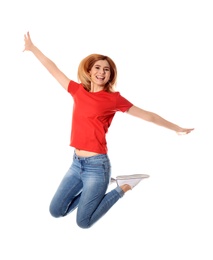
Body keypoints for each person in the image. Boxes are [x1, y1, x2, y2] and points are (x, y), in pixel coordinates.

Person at [23, 32, 194, 229]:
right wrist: (33, 48)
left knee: (83, 222)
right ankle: (97, 189)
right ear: (89, 71)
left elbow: (148, 115)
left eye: (107, 69)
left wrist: (176, 128)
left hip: (97, 166)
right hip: (76, 164)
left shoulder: (113, 99)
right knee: (56, 211)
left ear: (110, 75)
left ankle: (122, 187)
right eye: (97, 67)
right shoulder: (78, 91)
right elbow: (53, 69)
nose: (102, 72)